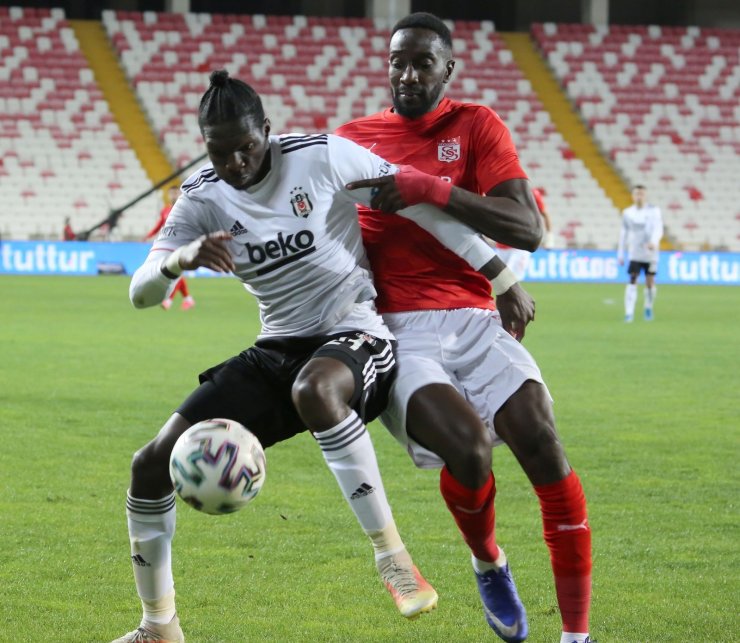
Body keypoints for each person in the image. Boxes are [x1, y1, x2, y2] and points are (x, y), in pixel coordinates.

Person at [114, 69, 517, 643]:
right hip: (278, 345)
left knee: (314, 389)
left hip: (355, 334)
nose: (235, 163)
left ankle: (393, 559)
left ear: (268, 132)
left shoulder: (321, 156)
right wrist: (181, 260)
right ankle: (159, 627)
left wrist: (497, 273)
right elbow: (140, 291)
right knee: (150, 464)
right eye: (220, 152)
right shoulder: (202, 195)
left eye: (246, 148)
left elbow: (417, 203)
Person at [336, 13, 593, 643]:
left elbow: (527, 228)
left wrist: (432, 188)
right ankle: (489, 563)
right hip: (398, 328)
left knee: (542, 441)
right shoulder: (352, 141)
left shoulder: (476, 125)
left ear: (448, 69)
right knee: (471, 454)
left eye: (424, 61)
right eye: (398, 60)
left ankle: (577, 636)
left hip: (476, 318)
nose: (408, 73)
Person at [144, 185, 195, 311]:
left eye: (176, 193)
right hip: (168, 244)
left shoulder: (185, 209)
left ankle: (169, 300)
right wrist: (149, 235)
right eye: (171, 193)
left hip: (182, 244)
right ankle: (188, 299)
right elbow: (159, 225)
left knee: (175, 271)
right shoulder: (165, 210)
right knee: (175, 271)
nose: (173, 196)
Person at [617, 184, 663, 322]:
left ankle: (648, 307)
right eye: (637, 194)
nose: (639, 196)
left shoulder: (654, 211)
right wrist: (620, 253)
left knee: (650, 282)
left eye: (641, 194)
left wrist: (654, 242)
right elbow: (623, 233)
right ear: (632, 196)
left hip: (651, 253)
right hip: (635, 252)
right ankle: (629, 312)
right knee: (632, 279)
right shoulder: (627, 213)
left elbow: (658, 228)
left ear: (645, 195)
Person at [494, 186, 554, 280]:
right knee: (498, 280)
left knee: (510, 280)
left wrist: (549, 237)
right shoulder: (498, 192)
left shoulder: (531, 194)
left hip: (519, 246)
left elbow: (545, 214)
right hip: (501, 245)